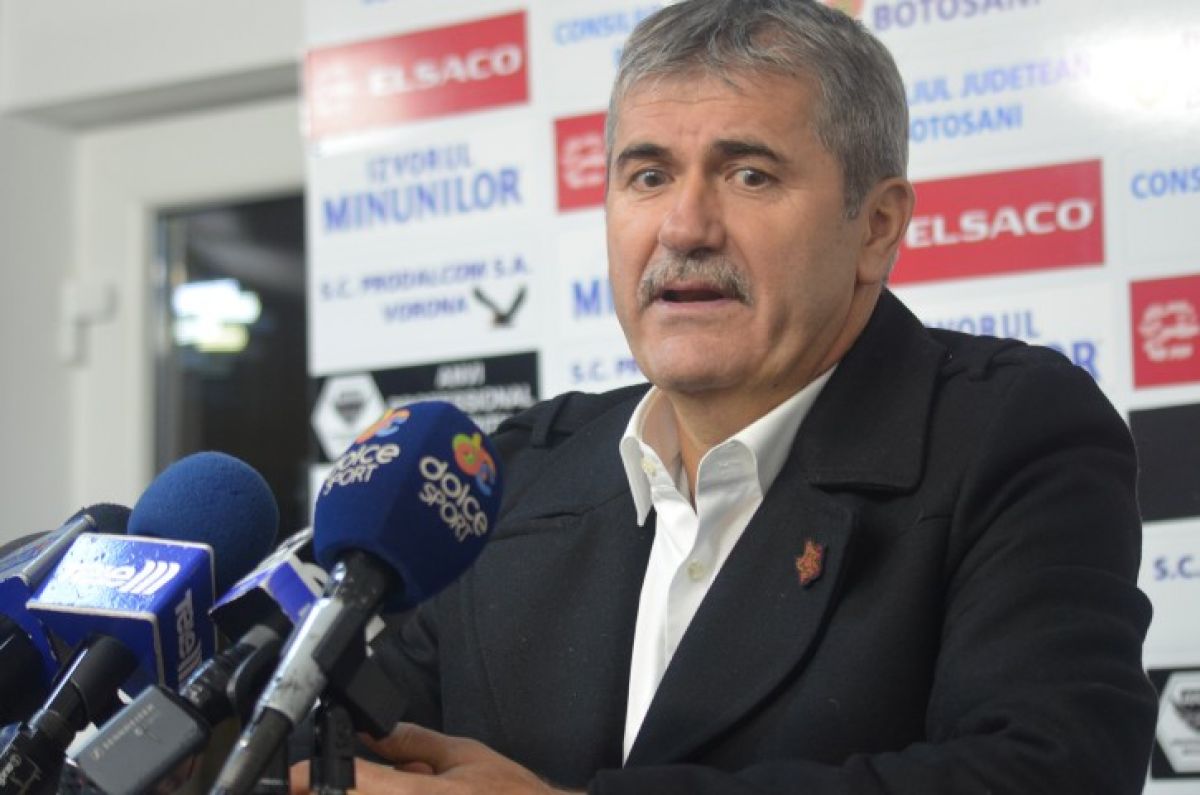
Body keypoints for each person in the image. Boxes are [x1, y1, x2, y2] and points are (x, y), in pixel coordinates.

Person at [299, 0, 1158, 792]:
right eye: (648, 176)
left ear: (877, 225)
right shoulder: (523, 469)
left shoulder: (1010, 430)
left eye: (749, 175)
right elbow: (352, 743)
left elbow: (1047, 771)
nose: (684, 227)